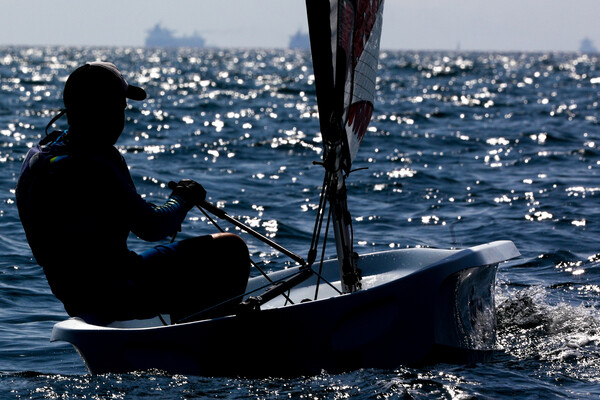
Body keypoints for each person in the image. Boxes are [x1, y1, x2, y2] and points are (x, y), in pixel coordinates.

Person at [16, 61, 250, 323]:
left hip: (73, 297)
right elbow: (151, 227)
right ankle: (204, 345)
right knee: (231, 249)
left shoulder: (36, 157)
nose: (121, 119)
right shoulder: (95, 162)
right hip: (117, 290)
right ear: (96, 109)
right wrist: (183, 199)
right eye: (118, 108)